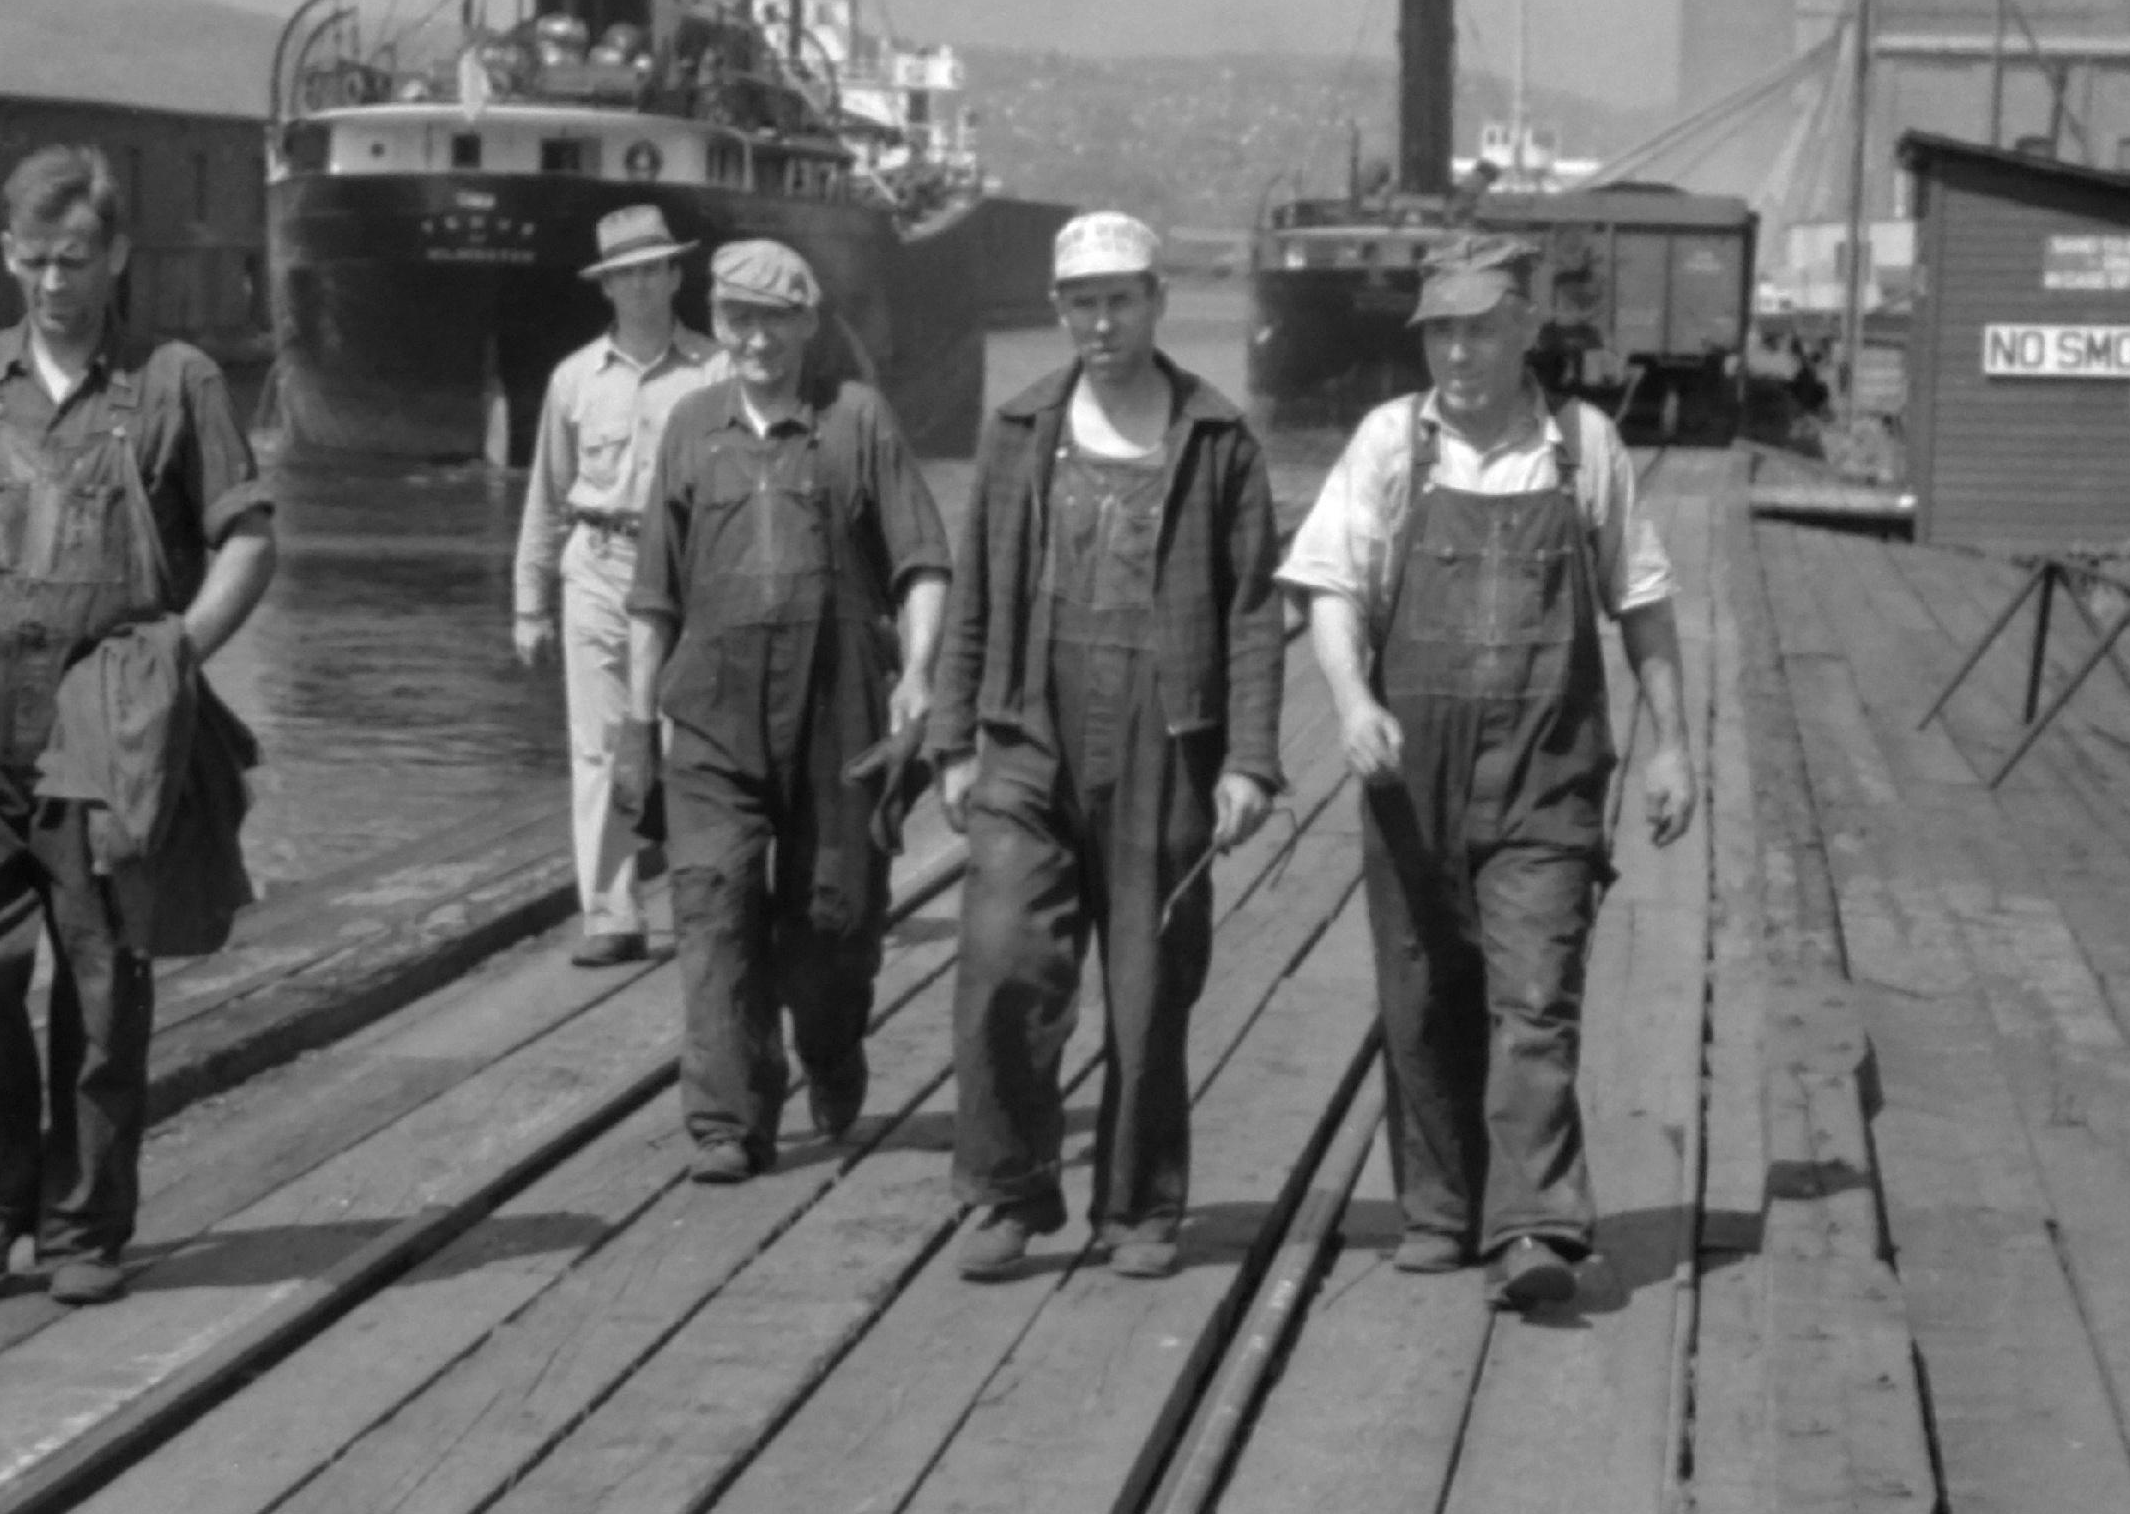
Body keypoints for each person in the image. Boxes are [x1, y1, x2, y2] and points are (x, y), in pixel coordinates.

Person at [0, 144, 277, 1306]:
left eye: (74, 259)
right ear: (5, 257)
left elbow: (247, 539)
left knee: (99, 980)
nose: (52, 284)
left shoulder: (176, 383)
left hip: (105, 735)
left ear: (118, 255)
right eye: (31, 260)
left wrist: (176, 654)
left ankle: (81, 1231)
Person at [1279, 232, 1695, 1312]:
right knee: (1421, 994)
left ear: (1524, 332)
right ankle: (1436, 1208)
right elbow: (1330, 586)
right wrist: (1351, 699)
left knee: (1534, 996)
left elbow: (1642, 603)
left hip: (1547, 770)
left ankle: (1535, 1226)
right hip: (1412, 770)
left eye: (1478, 328)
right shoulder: (1387, 444)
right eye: (1440, 331)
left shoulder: (1581, 447)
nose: (1457, 351)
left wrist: (1671, 744)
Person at [928, 212, 1283, 1282]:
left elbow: (1254, 613)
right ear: (1057, 310)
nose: (1101, 321)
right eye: (1081, 302)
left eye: (1120, 299)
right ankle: (1005, 1192)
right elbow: (976, 590)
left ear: (1156, 299)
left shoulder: (1216, 439)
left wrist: (1250, 760)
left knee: (1149, 981)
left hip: (1165, 734)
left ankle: (1137, 1208)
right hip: (1029, 724)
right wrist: (952, 740)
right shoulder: (1019, 428)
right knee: (1000, 957)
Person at [619, 237, 951, 1183]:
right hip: (714, 715)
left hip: (840, 715)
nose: (754, 338)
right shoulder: (689, 426)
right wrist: (637, 730)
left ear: (809, 323)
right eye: (736, 318)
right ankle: (728, 1119)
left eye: (773, 318)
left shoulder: (856, 421)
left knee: (832, 925)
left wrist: (916, 679)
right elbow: (652, 596)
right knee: (713, 910)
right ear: (717, 326)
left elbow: (921, 563)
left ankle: (834, 1045)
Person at [513, 205, 725, 965]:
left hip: (692, 575)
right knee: (599, 746)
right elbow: (548, 493)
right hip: (598, 568)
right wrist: (529, 602)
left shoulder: (717, 373)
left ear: (675, 275)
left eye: (652, 268)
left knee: (692, 740)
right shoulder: (573, 380)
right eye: (623, 274)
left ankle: (708, 905)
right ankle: (611, 914)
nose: (639, 285)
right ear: (605, 288)